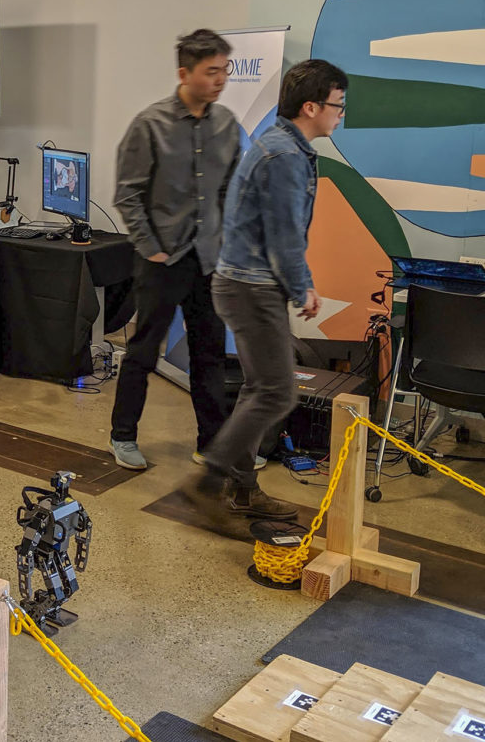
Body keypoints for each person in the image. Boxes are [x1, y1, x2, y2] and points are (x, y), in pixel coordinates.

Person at [192, 59, 349, 523]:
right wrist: (303, 286)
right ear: (311, 106)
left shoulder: (284, 147)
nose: (341, 115)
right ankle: (208, 481)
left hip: (246, 283)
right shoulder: (283, 156)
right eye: (338, 106)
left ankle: (240, 491)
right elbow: (283, 234)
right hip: (251, 287)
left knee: (259, 388)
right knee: (278, 393)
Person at [109, 29, 241, 470]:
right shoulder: (150, 125)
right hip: (162, 261)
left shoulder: (226, 126)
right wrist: (152, 249)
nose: (221, 79)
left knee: (209, 356)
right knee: (143, 353)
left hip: (209, 261)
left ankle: (212, 443)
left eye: (225, 69)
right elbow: (127, 195)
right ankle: (122, 436)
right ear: (184, 73)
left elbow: (228, 192)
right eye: (212, 71)